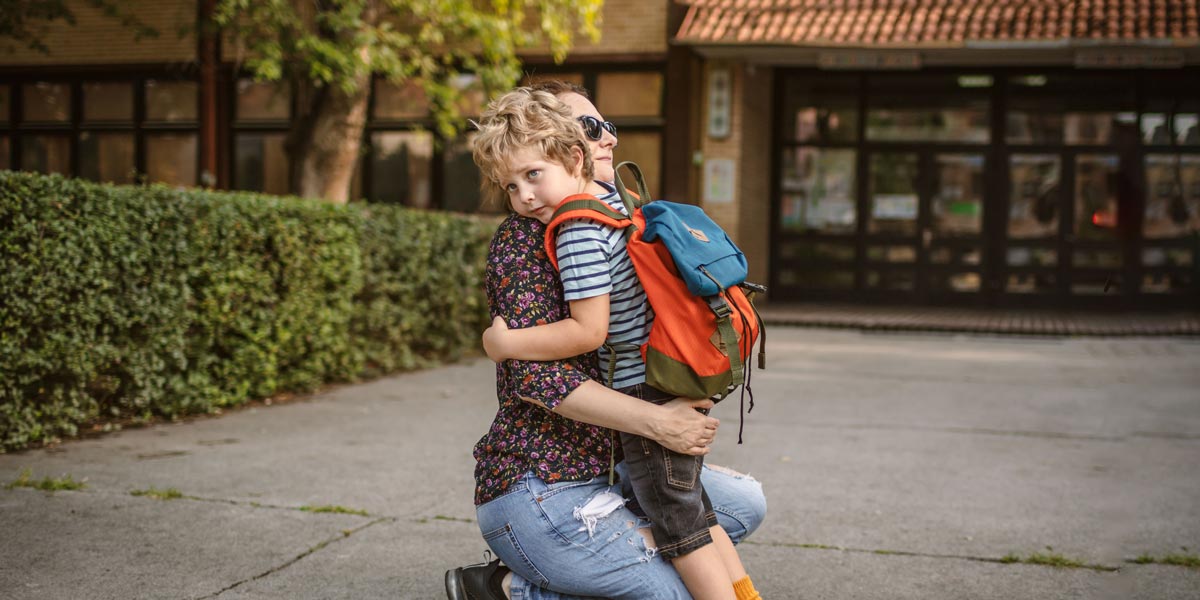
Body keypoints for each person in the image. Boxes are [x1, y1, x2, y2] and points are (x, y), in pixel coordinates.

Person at [446, 88, 765, 600]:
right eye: (591, 128)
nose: (608, 138)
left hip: (612, 461)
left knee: (738, 507)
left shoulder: (616, 214)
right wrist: (660, 419)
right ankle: (515, 589)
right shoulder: (533, 237)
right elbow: (540, 375)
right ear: (569, 145)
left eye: (605, 125)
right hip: (546, 478)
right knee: (680, 571)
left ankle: (535, 582)